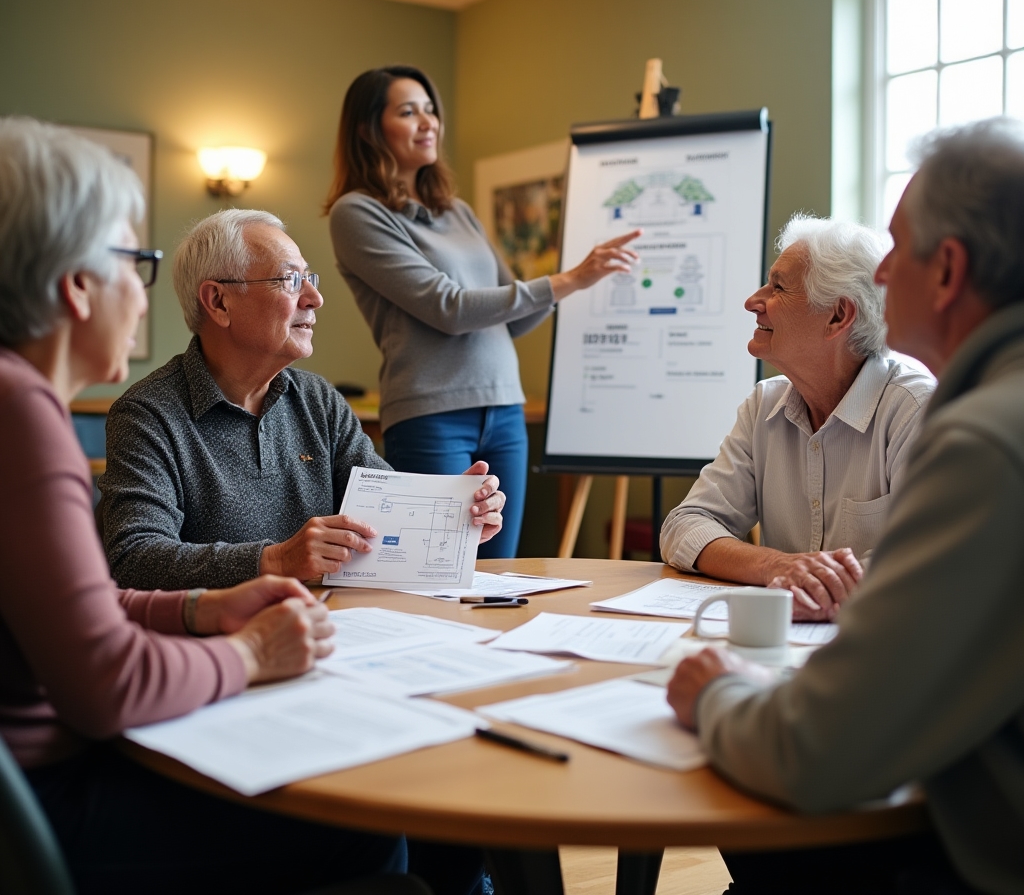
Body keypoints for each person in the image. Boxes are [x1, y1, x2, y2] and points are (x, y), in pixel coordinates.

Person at [0, 117, 407, 894]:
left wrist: (200, 611)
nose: (145, 289)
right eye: (134, 261)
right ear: (76, 286)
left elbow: (85, 604)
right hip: (49, 805)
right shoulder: (26, 417)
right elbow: (105, 684)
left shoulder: (17, 403)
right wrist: (252, 653)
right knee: (370, 830)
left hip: (47, 780)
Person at [667, 118, 1024, 895]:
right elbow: (686, 525)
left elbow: (819, 751)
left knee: (772, 845)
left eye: (900, 248)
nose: (885, 273)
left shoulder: (976, 436)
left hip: (970, 852)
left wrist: (716, 692)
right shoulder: (772, 405)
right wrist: (781, 565)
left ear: (950, 268)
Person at [99, 208, 506, 592]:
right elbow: (135, 559)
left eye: (310, 279)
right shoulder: (147, 414)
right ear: (219, 302)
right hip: (225, 644)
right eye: (290, 280)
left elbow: (382, 517)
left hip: (333, 629)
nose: (314, 297)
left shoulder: (319, 401)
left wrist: (456, 518)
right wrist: (274, 561)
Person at [325, 65, 640, 559]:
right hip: (431, 414)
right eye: (409, 111)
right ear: (369, 129)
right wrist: (568, 279)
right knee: (437, 573)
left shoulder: (459, 211)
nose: (428, 121)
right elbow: (447, 307)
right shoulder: (357, 213)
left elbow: (509, 315)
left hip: (505, 408)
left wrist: (570, 286)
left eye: (431, 110)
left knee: (497, 571)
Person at [660, 215, 933, 621]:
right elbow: (685, 525)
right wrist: (775, 566)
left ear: (838, 317)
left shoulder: (914, 409)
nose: (753, 301)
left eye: (778, 287)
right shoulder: (763, 406)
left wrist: (817, 586)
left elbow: (923, 560)